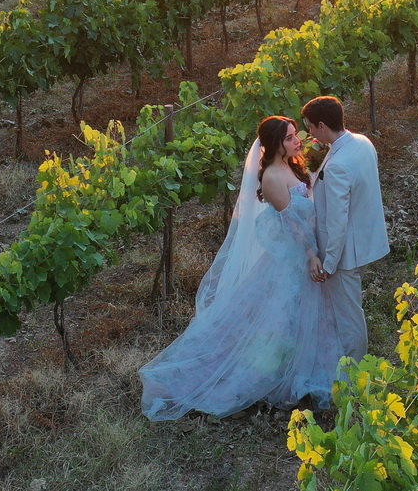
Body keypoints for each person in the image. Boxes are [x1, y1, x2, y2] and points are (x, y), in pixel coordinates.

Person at [140, 116, 341, 421]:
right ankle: (270, 374)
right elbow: (292, 224)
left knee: (303, 316)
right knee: (280, 318)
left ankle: (298, 368)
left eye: (295, 135)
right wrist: (313, 255)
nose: (297, 141)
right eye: (289, 138)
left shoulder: (291, 165)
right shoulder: (272, 177)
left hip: (302, 253)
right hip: (292, 257)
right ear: (274, 144)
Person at [302, 95, 389, 363]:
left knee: (349, 317)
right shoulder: (362, 142)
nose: (309, 133)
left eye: (310, 127)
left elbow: (337, 221)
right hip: (365, 239)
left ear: (321, 125)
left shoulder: (338, 165)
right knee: (349, 311)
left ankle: (356, 373)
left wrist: (330, 263)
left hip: (345, 253)